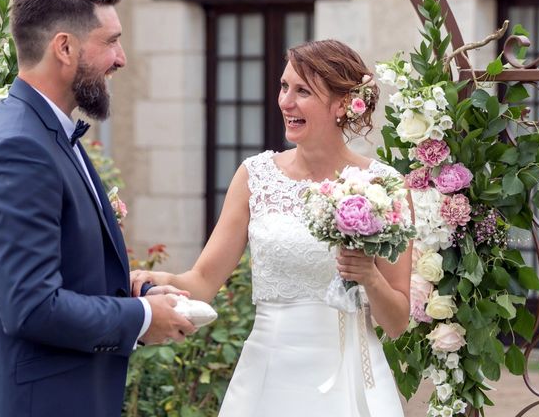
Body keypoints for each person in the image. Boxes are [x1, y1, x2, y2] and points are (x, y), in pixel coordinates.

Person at [0, 0, 195, 417]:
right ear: (65, 47)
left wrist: (136, 301)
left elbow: (56, 278)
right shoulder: (19, 148)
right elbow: (31, 306)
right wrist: (141, 320)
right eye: (111, 42)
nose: (121, 59)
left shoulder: (46, 133)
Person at [131, 40, 412, 416]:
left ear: (343, 104)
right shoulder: (254, 176)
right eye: (284, 87)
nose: (285, 102)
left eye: (303, 91)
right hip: (268, 378)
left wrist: (369, 277)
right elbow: (202, 280)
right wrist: (153, 275)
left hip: (352, 379)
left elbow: (397, 322)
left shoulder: (384, 186)